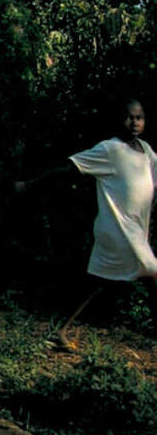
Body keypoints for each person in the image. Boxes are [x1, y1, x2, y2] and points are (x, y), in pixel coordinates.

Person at [14, 97, 157, 350]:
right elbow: (69, 167)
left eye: (139, 117)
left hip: (135, 230)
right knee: (152, 271)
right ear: (118, 120)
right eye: (128, 117)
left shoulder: (146, 152)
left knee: (96, 281)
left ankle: (59, 329)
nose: (134, 122)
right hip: (118, 229)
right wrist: (30, 184)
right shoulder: (109, 150)